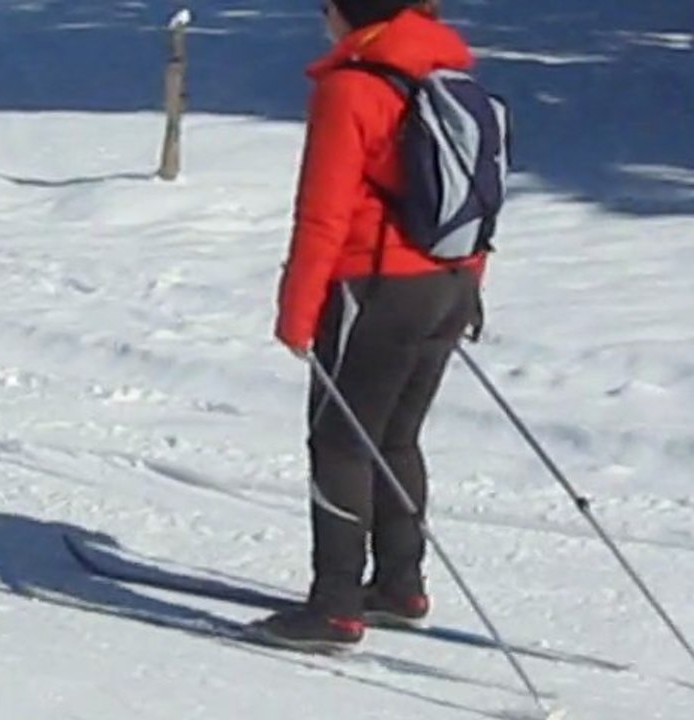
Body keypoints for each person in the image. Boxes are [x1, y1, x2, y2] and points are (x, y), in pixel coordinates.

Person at [254, 0, 486, 650]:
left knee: (339, 442)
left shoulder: (351, 86)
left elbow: (322, 213)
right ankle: (398, 586)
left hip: (375, 286)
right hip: (450, 282)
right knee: (395, 438)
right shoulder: (449, 75)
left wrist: (297, 312)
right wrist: (470, 285)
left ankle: (334, 606)